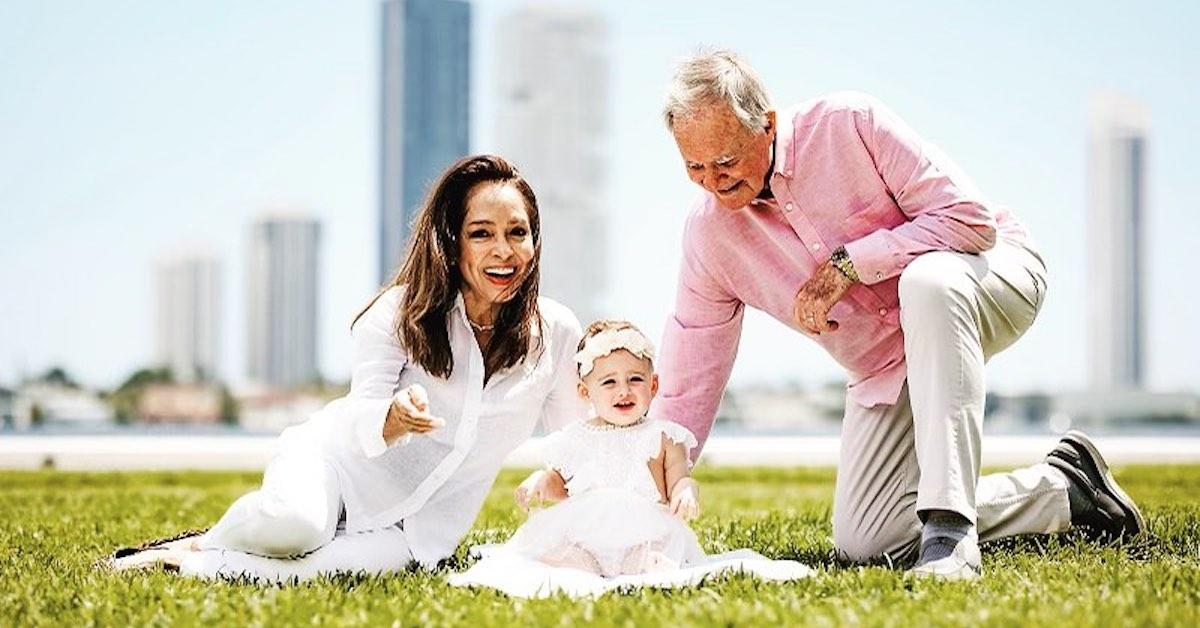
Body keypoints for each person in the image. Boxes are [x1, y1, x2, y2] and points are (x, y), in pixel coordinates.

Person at [651, 49, 1144, 580]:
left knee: (927, 282)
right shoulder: (709, 236)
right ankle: (1068, 489)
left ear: (766, 125)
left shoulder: (849, 122)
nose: (713, 182)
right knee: (869, 538)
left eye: (725, 162)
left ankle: (951, 534)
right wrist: (646, 490)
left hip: (988, 278)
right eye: (694, 168)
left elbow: (971, 222)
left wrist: (851, 263)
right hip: (889, 364)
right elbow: (689, 375)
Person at [109, 155, 589, 582]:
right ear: (452, 243)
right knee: (295, 527)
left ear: (534, 239)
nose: (503, 250)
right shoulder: (401, 311)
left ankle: (181, 558)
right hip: (334, 467)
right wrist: (393, 418)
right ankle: (218, 535)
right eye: (481, 233)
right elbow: (365, 411)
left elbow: (576, 443)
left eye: (517, 232)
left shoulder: (556, 332)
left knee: (315, 571)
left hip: (416, 530)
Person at [448, 320, 811, 598]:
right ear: (584, 391)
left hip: (645, 531)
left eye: (635, 379)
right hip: (585, 533)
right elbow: (559, 485)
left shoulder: (664, 436)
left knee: (654, 566)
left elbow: (679, 478)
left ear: (653, 386)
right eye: (608, 382)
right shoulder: (575, 437)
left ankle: (642, 570)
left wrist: (687, 491)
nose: (623, 390)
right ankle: (584, 570)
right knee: (562, 562)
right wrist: (540, 482)